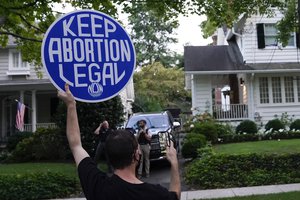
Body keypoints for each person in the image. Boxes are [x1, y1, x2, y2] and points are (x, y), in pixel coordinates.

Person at [57, 84, 181, 200]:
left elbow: (75, 145)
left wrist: (71, 104)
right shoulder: (155, 194)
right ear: (136, 155)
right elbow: (176, 195)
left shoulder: (97, 186)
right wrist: (174, 164)